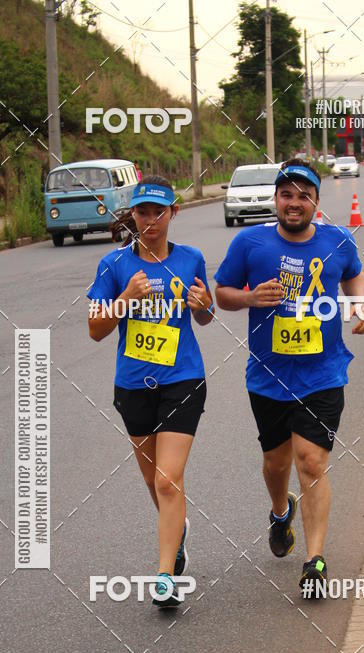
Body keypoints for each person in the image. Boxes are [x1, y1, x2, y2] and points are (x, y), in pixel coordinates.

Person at [215, 159, 364, 597]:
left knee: (311, 461)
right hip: (267, 378)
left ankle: (314, 561)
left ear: (316, 201)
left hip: (323, 374)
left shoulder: (338, 241)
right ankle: (281, 512)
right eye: (287, 194)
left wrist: (359, 305)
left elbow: (354, 274)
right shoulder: (250, 242)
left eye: (304, 195)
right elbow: (221, 293)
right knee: (277, 463)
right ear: (276, 199)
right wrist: (248, 297)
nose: (294, 202)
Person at [87, 177, 214, 608]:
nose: (151, 220)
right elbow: (95, 329)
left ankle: (165, 578)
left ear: (173, 213)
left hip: (182, 380)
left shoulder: (191, 258)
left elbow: (207, 315)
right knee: (153, 480)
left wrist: (202, 306)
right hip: (133, 386)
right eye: (143, 212)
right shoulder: (113, 265)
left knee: (166, 478)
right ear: (133, 215)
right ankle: (175, 533)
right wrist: (125, 297)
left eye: (159, 212)